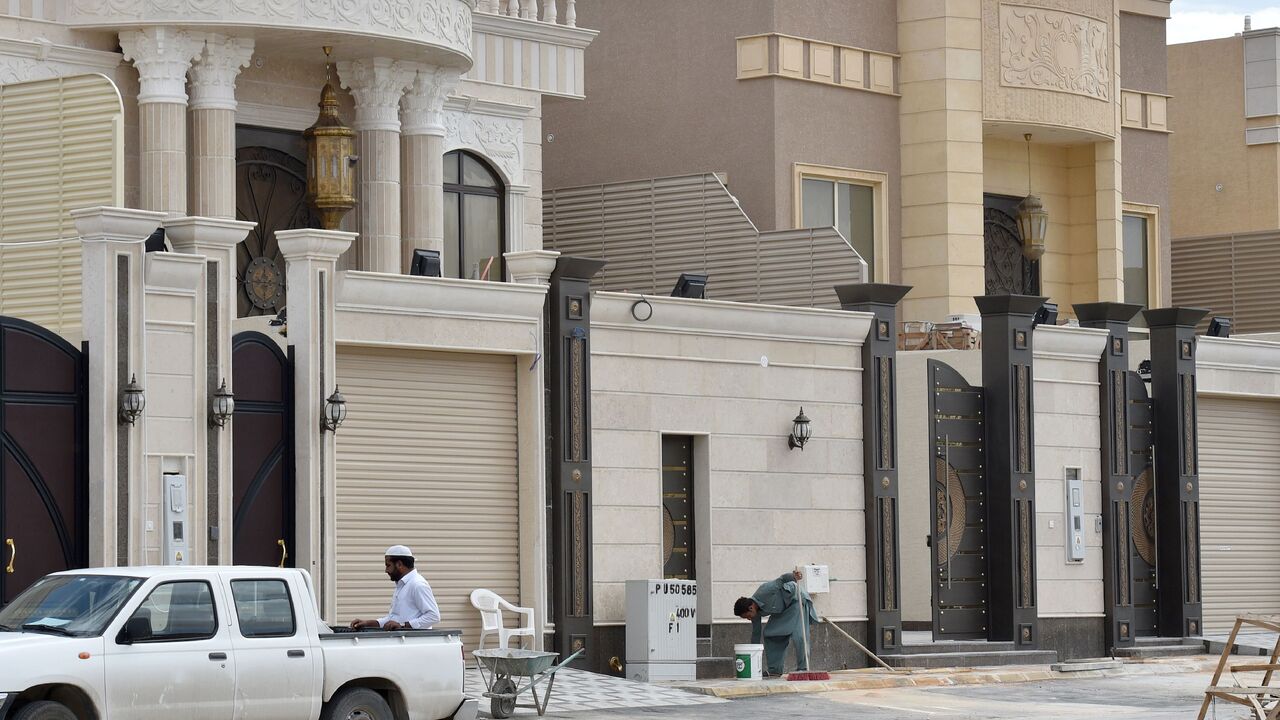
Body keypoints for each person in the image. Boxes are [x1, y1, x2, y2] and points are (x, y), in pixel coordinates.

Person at [732, 569, 819, 676]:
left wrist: (793, 576)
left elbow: (782, 579)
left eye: (748, 616)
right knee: (770, 634)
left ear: (751, 608)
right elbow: (756, 634)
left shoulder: (764, 590)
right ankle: (775, 670)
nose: (749, 619)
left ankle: (803, 668)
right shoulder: (755, 613)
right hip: (782, 610)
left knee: (799, 636)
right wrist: (752, 654)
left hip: (796, 600)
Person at [350, 545, 440, 630]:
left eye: (388, 565)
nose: (386, 570)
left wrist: (403, 626)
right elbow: (393, 620)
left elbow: (434, 616)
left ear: (399, 564)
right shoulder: (403, 585)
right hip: (404, 639)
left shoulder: (418, 584)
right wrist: (367, 623)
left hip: (415, 640)